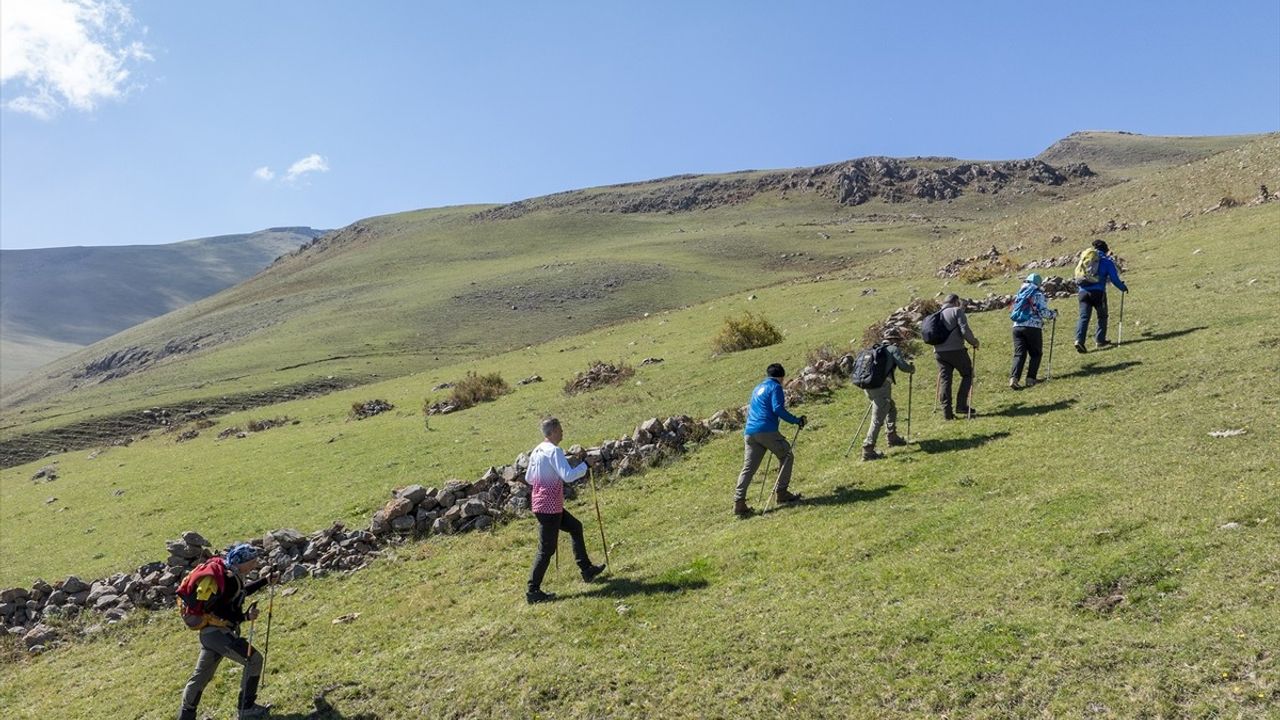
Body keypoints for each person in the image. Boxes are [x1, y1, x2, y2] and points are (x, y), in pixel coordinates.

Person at [178, 544, 273, 720]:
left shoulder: (230, 574)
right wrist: (245, 617)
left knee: (200, 678)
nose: (254, 564)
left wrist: (264, 581)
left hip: (210, 635)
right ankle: (247, 708)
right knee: (254, 659)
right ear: (242, 562)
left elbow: (239, 593)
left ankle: (185, 717)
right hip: (219, 634)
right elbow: (221, 610)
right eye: (251, 561)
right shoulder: (229, 579)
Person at [526, 417, 606, 604]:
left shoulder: (537, 450)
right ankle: (533, 591)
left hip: (542, 504)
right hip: (550, 507)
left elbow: (530, 478)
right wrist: (585, 465)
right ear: (553, 431)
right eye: (560, 429)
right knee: (546, 550)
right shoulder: (554, 451)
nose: (562, 432)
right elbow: (568, 476)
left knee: (575, 527)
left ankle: (586, 569)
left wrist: (546, 479)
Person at [733, 363, 807, 516]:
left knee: (748, 468)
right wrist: (796, 420)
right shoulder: (776, 388)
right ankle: (782, 493)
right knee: (786, 456)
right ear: (781, 377)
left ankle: (739, 502)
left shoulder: (757, 388)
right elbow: (777, 408)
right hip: (766, 430)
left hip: (750, 432)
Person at [861, 329, 915, 460]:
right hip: (881, 387)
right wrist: (911, 368)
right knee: (878, 418)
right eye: (898, 340)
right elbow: (903, 366)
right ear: (894, 340)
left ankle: (892, 436)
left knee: (891, 408)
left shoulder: (874, 349)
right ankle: (868, 449)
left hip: (868, 386)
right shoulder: (892, 349)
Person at [1074, 239, 1129, 353]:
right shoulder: (1106, 261)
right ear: (1106, 250)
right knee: (1102, 316)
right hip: (1098, 292)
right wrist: (1122, 288)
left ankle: (1079, 341)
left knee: (1084, 317)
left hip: (1083, 292)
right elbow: (1114, 279)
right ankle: (1100, 340)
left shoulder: (1086, 259)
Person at [933, 294, 981, 419]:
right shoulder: (956, 311)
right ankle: (961, 406)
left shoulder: (937, 314)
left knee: (945, 380)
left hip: (939, 352)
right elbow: (964, 330)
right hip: (956, 350)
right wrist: (974, 342)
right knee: (967, 374)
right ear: (955, 301)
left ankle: (947, 413)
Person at [1009, 273, 1058, 389]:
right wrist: (1053, 314)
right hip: (1033, 327)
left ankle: (1014, 378)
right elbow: (1042, 312)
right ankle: (1030, 379)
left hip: (1017, 327)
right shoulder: (1037, 294)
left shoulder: (1020, 294)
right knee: (1036, 354)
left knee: (1019, 354)